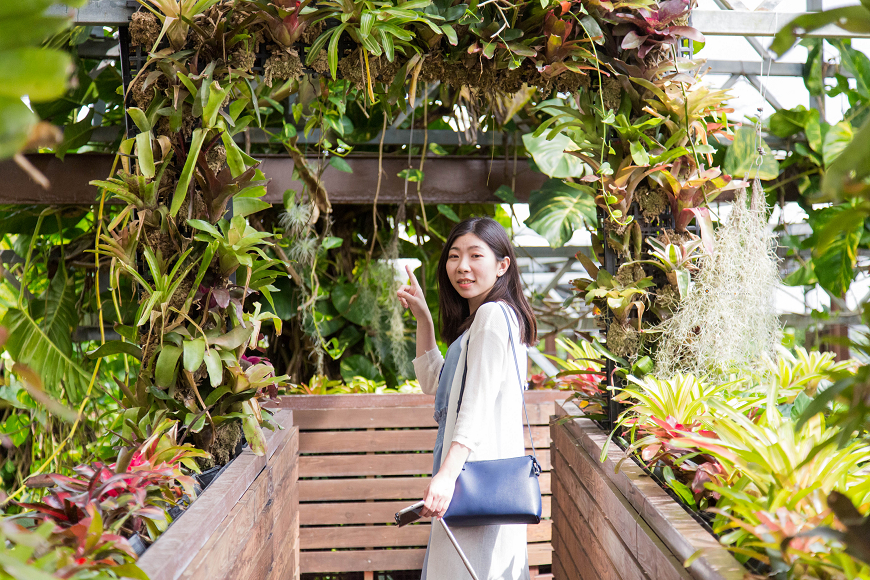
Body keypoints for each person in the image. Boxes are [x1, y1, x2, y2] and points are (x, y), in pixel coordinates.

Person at [396, 216, 538, 580]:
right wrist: (425, 321)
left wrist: (445, 475)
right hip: (481, 481)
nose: (462, 266)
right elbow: (435, 382)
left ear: (502, 265)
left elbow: (474, 408)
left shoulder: (492, 316)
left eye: (476, 255)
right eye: (454, 256)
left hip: (475, 480)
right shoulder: (486, 320)